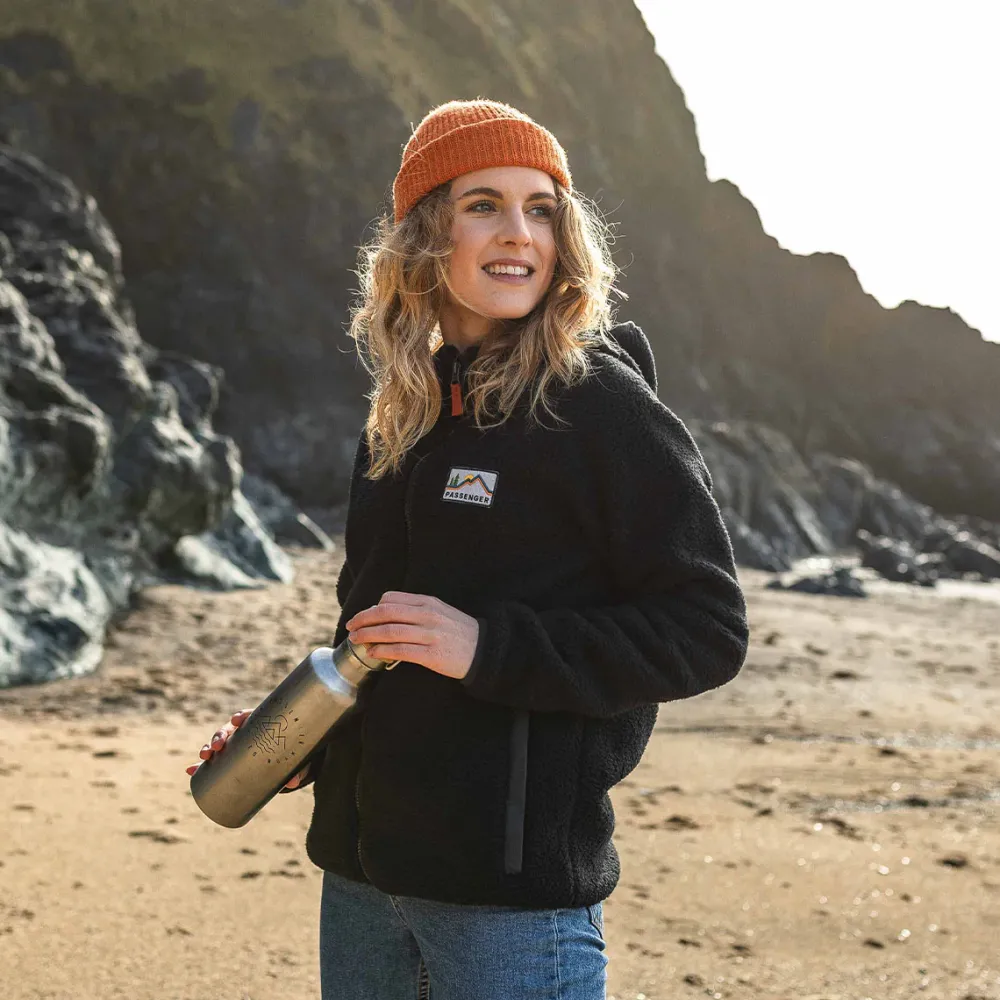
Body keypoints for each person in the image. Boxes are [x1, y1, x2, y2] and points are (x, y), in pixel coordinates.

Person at [187, 98, 750, 1000]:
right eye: (483, 204)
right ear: (424, 236)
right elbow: (374, 634)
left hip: (508, 900)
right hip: (361, 882)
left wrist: (487, 646)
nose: (518, 231)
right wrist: (307, 736)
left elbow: (706, 630)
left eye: (541, 209)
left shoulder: (598, 406)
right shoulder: (400, 417)